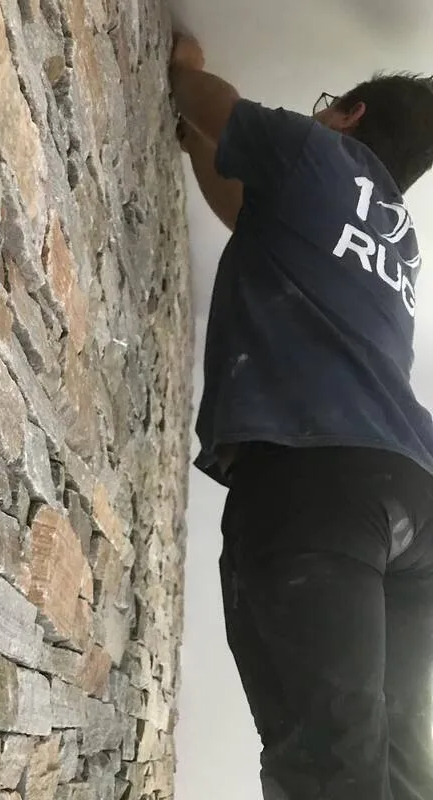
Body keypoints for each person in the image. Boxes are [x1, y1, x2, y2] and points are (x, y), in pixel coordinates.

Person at [171, 33, 433, 800]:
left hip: (320, 485)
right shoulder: (398, 243)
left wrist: (184, 73)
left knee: (331, 765)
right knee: (399, 755)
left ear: (350, 114)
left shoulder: (317, 155)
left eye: (326, 107)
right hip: (417, 496)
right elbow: (245, 211)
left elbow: (214, 107)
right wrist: (198, 149)